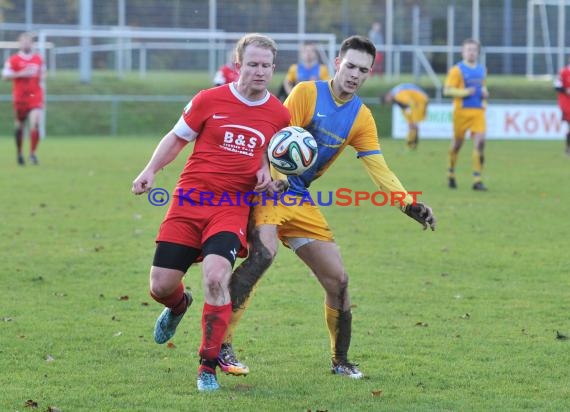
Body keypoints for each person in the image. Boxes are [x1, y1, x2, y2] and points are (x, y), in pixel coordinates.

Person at [217, 35, 436, 380]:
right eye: (349, 66)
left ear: (369, 74)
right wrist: (275, 178)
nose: (354, 74)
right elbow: (278, 138)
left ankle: (341, 360)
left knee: (339, 280)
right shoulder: (307, 92)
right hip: (271, 191)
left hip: (301, 199)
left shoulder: (361, 117)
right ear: (337, 63)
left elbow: (378, 165)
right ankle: (220, 343)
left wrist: (407, 203)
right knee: (262, 255)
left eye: (362, 70)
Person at [131, 33, 290, 392]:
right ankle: (178, 305)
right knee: (160, 286)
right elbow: (176, 138)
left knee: (217, 278)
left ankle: (207, 366)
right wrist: (150, 170)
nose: (260, 71)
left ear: (273, 68)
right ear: (238, 66)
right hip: (190, 200)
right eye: (253, 64)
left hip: (232, 206)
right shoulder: (209, 100)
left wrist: (268, 169)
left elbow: (278, 154)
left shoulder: (280, 114)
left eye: (266, 65)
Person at [444, 38, 489, 191]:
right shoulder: (457, 70)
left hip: (478, 112)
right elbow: (447, 90)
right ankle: (450, 172)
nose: (471, 52)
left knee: (480, 142)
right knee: (457, 145)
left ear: (478, 52)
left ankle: (477, 179)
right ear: (463, 52)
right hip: (461, 112)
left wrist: (484, 94)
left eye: (474, 50)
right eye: (468, 49)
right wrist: (464, 92)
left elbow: (482, 88)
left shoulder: (482, 69)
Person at [2, 32, 45, 166]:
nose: (26, 43)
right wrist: (22, 73)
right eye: (23, 41)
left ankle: (32, 154)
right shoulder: (13, 60)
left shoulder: (38, 59)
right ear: (20, 43)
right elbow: (5, 77)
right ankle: (19, 153)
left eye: (28, 41)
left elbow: (43, 74)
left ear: (32, 43)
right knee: (19, 126)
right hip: (20, 97)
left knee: (35, 122)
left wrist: (42, 78)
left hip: (34, 95)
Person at [383, 83, 429, 149]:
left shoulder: (398, 94)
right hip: (414, 103)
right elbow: (404, 105)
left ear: (387, 96)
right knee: (412, 125)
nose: (388, 103)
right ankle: (411, 143)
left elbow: (409, 102)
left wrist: (410, 111)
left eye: (387, 101)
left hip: (418, 102)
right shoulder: (396, 95)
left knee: (413, 124)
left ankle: (412, 143)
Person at [554, 55, 570, 155]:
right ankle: (568, 149)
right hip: (567, 105)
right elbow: (557, 86)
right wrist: (566, 90)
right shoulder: (564, 72)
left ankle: (567, 149)